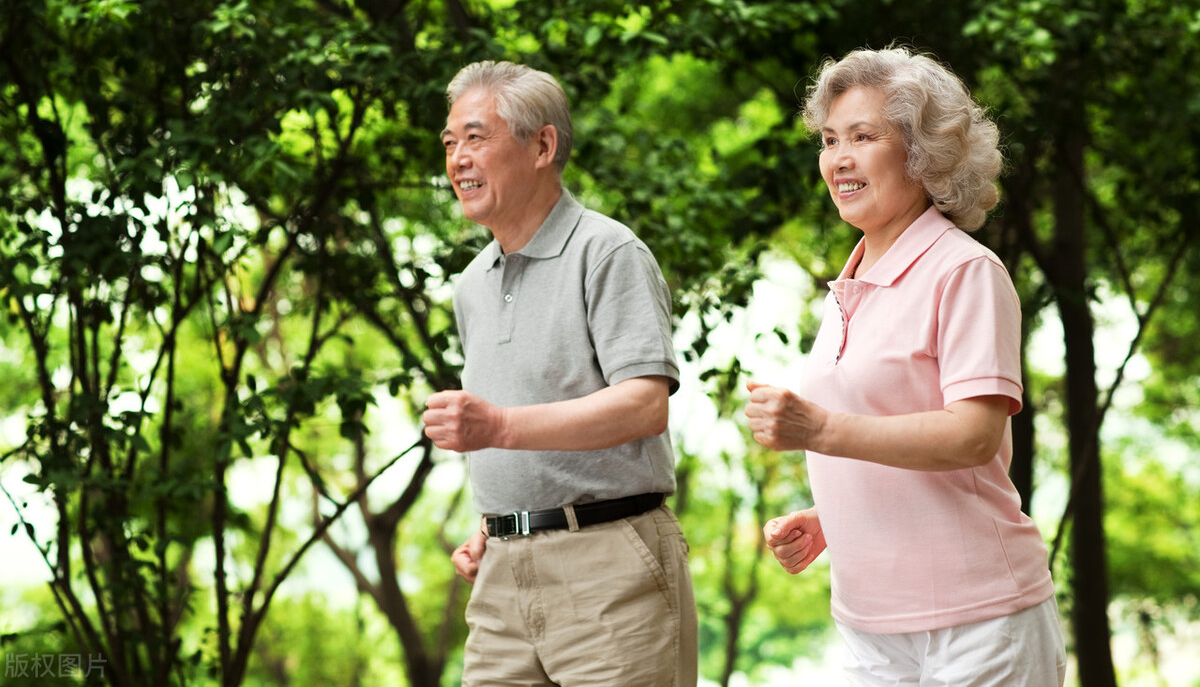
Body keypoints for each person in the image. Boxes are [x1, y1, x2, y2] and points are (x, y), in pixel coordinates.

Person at [745, 46, 1066, 686]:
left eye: (864, 136)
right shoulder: (848, 284)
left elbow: (971, 435)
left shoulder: (965, 271)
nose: (839, 158)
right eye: (831, 139)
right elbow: (890, 426)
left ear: (923, 155)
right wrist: (833, 516)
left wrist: (817, 429)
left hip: (981, 625)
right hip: (869, 625)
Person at [421, 60, 698, 686]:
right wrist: (503, 514)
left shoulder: (609, 253)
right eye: (449, 143)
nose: (457, 158)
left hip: (610, 565)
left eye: (475, 136)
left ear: (543, 145)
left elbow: (644, 406)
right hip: (499, 574)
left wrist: (496, 426)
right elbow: (528, 414)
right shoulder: (470, 285)